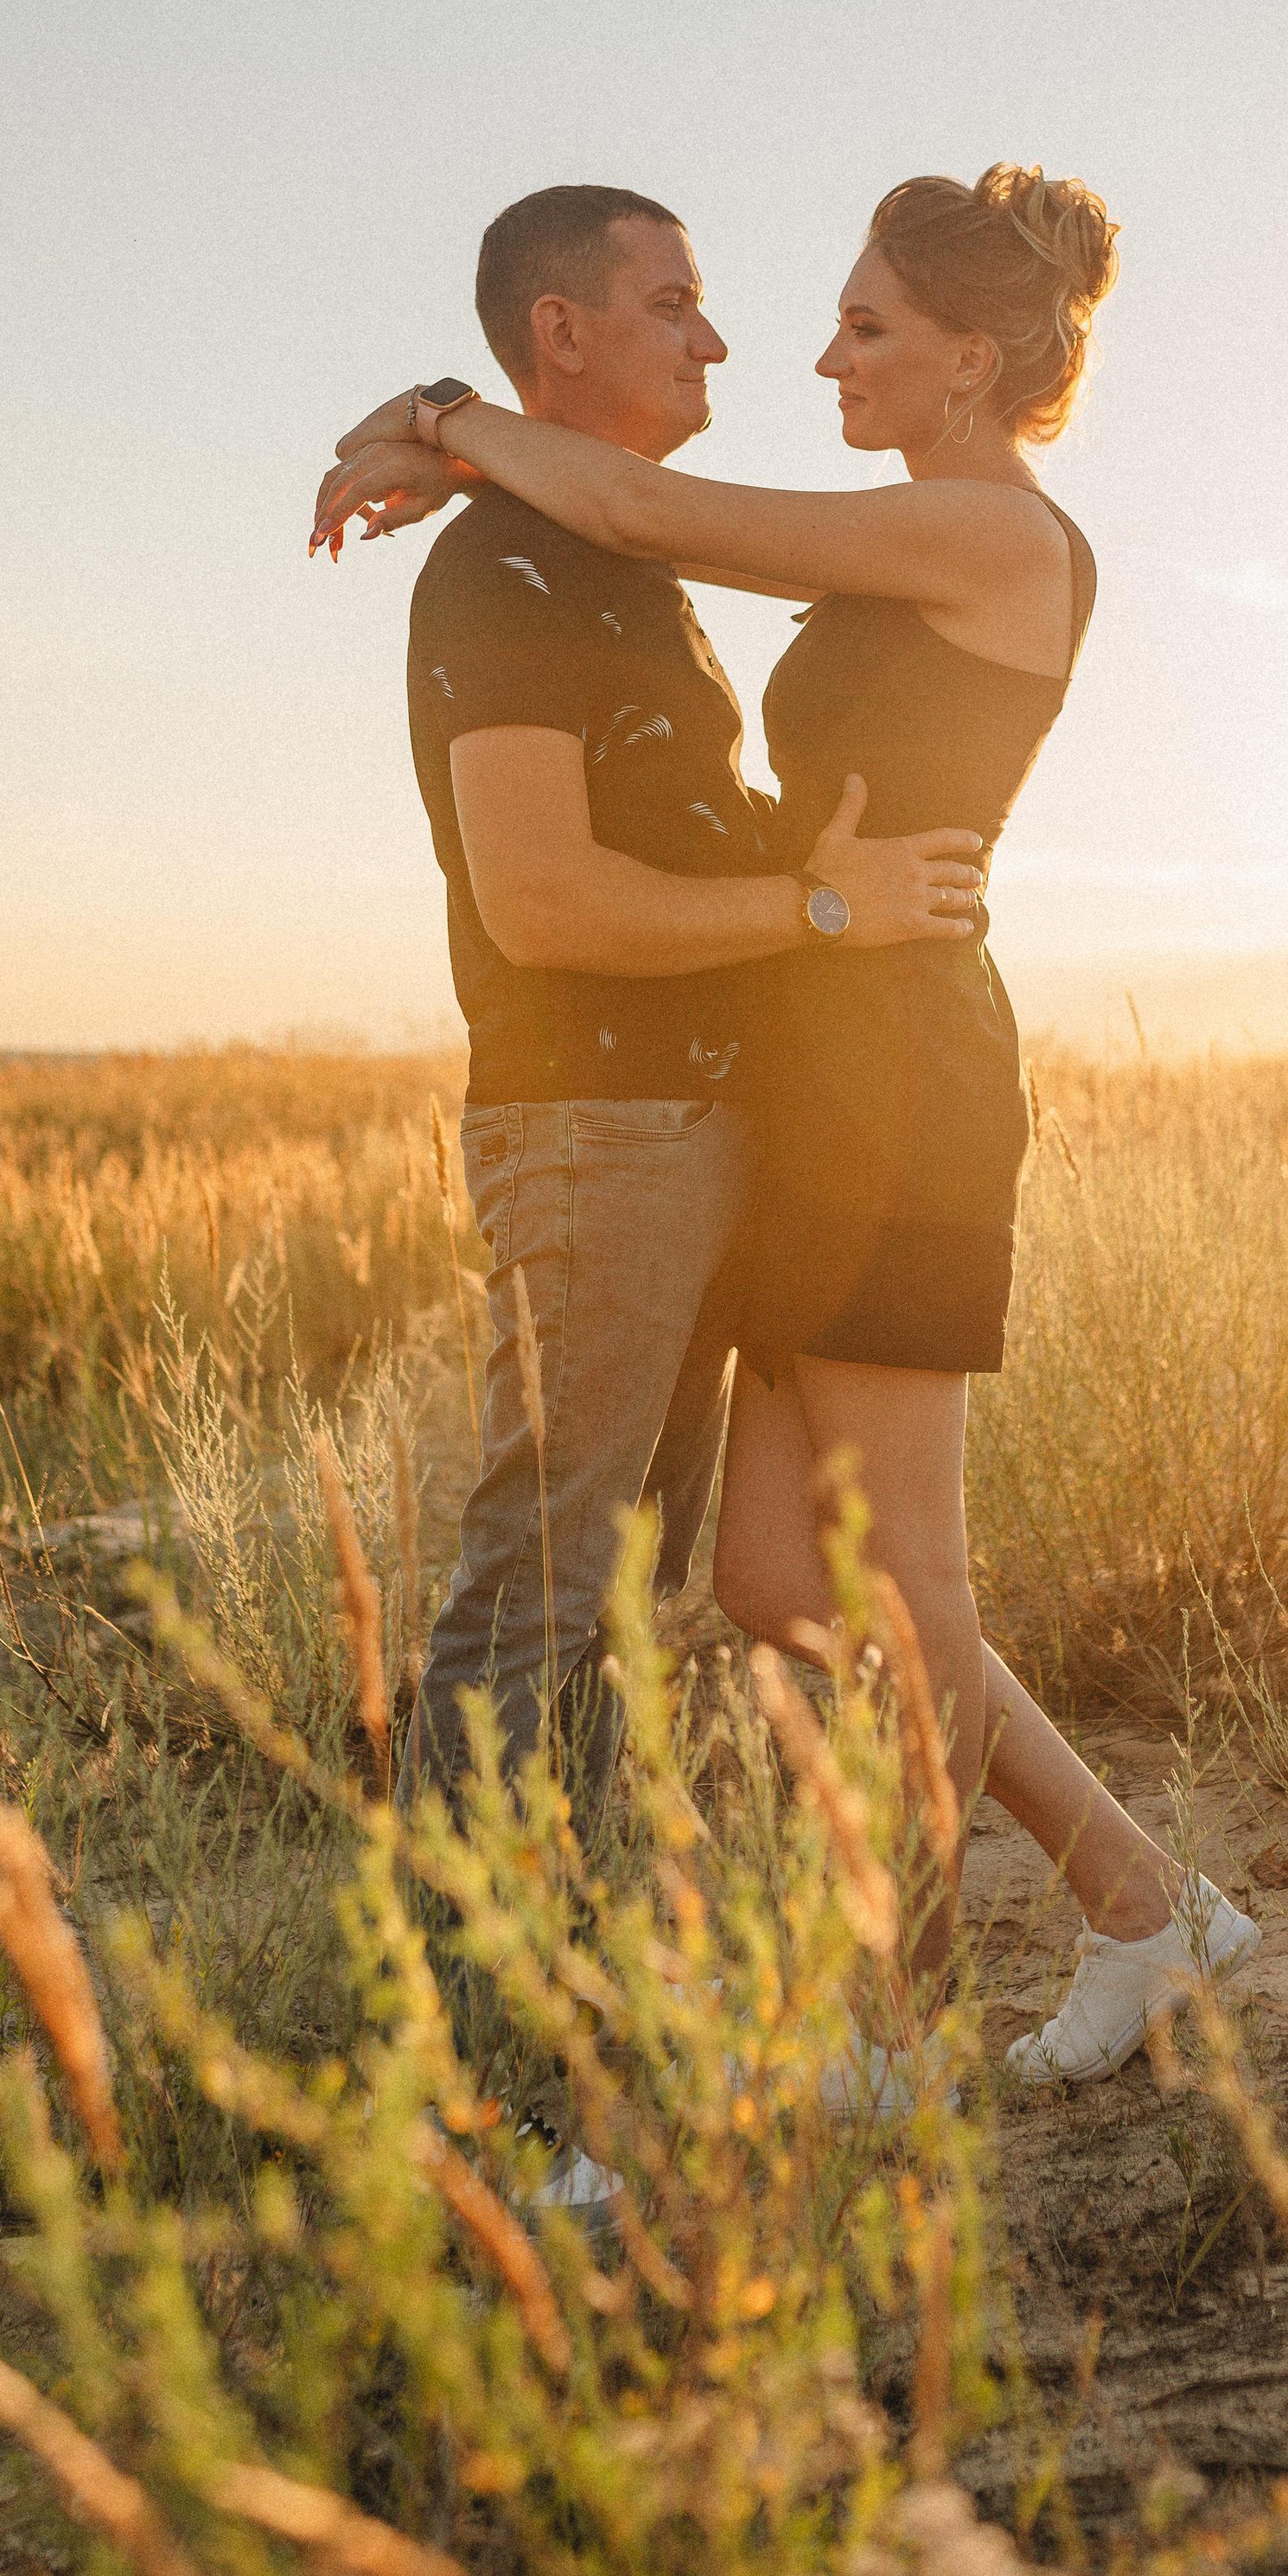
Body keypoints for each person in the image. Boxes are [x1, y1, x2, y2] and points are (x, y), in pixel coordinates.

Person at [315, 164, 1261, 2085]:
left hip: (898, 1062)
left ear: (967, 361)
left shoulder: (995, 540)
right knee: (764, 1585)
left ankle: (901, 2012)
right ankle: (1147, 1904)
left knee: (904, 1583)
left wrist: (436, 421)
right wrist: (465, 447)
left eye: (865, 329)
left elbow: (648, 506)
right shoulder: (902, 531)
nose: (812, 353)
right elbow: (628, 514)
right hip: (809, 1064)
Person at [320, 184, 990, 1863]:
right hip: (596, 1129)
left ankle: (575, 2023)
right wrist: (822, 909)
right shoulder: (505, 570)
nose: (715, 336)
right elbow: (543, 904)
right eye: (673, 301)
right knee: (540, 1581)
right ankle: (482, 2082)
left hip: (692, 1128)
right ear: (562, 331)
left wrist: (436, 426)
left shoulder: (617, 558)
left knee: (621, 1587)